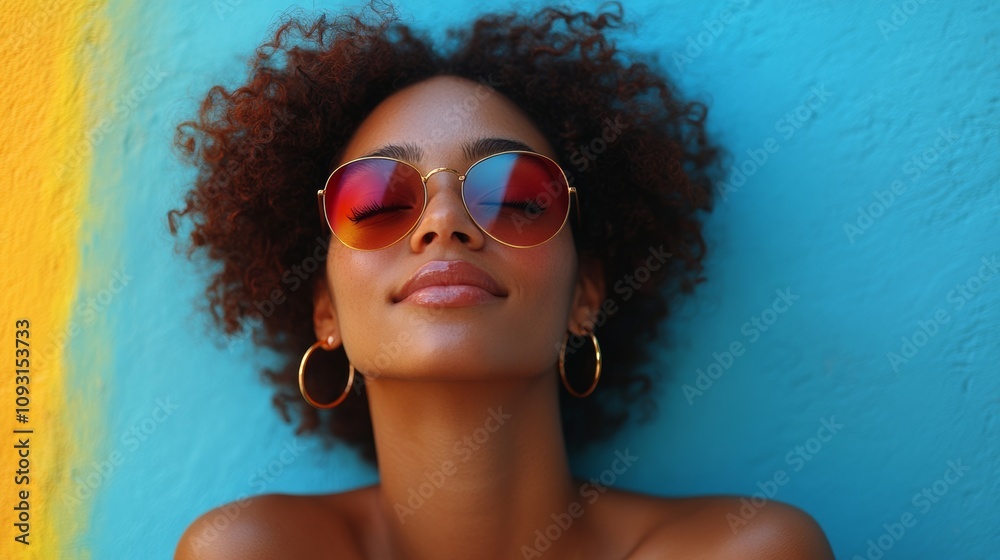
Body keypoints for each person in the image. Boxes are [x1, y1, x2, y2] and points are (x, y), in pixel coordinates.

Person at [168, 3, 835, 558]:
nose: (444, 222)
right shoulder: (254, 550)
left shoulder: (746, 550)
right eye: (375, 203)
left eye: (516, 197)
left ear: (586, 295)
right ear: (324, 312)